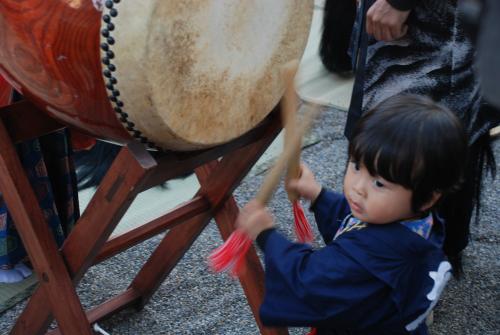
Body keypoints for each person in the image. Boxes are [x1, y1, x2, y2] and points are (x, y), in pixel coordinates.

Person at [236, 94, 468, 334]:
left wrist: (267, 235)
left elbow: (307, 283)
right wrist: (317, 194)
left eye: (378, 183)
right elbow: (357, 223)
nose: (358, 187)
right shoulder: (419, 222)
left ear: (428, 196)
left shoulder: (372, 260)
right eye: (356, 165)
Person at [320, 0, 499, 275]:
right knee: (384, 139)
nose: (356, 187)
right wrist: (316, 194)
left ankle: (410, 273)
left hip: (432, 25)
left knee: (417, 144)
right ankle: (375, 255)